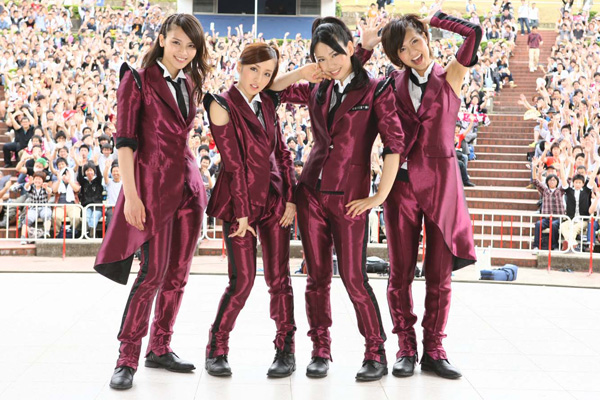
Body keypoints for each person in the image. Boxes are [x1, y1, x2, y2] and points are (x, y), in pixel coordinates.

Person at [269, 17, 405, 381]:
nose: (329, 64)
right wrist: (304, 71)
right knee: (316, 278)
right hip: (310, 194)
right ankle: (320, 350)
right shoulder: (318, 88)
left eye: (334, 55)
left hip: (350, 198)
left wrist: (379, 196)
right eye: (320, 58)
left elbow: (394, 144)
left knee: (354, 278)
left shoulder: (376, 88)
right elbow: (271, 88)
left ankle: (375, 352)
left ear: (350, 47)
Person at [92, 13, 209, 391]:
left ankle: (160, 346)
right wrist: (131, 196)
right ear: (161, 39)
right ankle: (127, 357)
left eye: (190, 46)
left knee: (178, 275)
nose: (183, 52)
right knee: (151, 274)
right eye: (176, 42)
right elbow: (125, 142)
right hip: (152, 192)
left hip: (190, 191)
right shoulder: (137, 79)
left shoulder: (190, 82)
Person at [379, 6, 480, 379]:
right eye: (403, 50)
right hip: (401, 188)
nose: (412, 52)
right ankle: (406, 347)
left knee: (439, 275)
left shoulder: (452, 74)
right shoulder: (389, 83)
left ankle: (434, 349)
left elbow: (473, 33)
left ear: (426, 39)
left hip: (442, 189)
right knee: (400, 273)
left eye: (415, 41)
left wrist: (434, 18)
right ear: (397, 57)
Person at [203, 42, 298, 379]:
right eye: (254, 69)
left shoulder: (268, 103)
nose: (259, 78)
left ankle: (286, 349)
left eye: (268, 73)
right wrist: (243, 213)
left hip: (275, 201)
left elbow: (282, 153)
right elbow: (234, 165)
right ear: (240, 66)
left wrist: (291, 198)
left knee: (279, 279)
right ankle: (217, 347)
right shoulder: (220, 104)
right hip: (238, 205)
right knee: (241, 281)